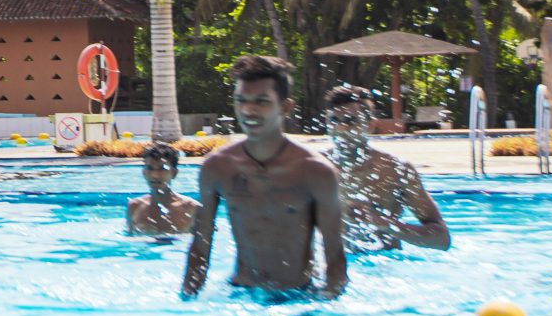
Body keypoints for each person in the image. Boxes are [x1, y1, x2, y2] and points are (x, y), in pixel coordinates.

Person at [182, 55, 347, 297]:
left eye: (261, 101)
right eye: (241, 100)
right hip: (240, 294)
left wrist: (324, 303)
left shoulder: (316, 171)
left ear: (286, 107)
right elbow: (199, 246)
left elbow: (335, 255)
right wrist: (187, 301)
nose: (248, 110)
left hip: (298, 296)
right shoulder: (217, 167)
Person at [325, 84, 450, 252]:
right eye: (334, 121)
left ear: (370, 125)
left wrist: (384, 223)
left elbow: (442, 239)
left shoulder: (396, 171)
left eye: (351, 121)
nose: (340, 128)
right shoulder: (312, 169)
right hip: (333, 262)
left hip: (387, 262)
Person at [126, 141, 197, 235]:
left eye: (162, 169)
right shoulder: (134, 207)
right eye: (150, 168)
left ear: (174, 173)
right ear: (143, 172)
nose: (155, 175)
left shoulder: (191, 208)